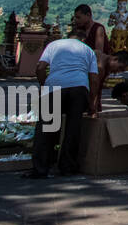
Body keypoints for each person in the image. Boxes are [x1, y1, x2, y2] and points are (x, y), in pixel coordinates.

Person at [26, 37, 98, 178]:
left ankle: (41, 168)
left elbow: (40, 67)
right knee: (73, 129)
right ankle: (67, 167)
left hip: (55, 86)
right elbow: (94, 79)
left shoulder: (54, 45)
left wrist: (44, 85)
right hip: (79, 88)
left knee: (46, 128)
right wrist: (92, 103)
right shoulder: (89, 50)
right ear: (82, 39)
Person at [91, 50, 128, 114]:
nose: (117, 72)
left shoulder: (101, 60)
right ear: (115, 59)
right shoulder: (100, 66)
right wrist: (92, 108)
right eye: (120, 68)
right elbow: (94, 89)